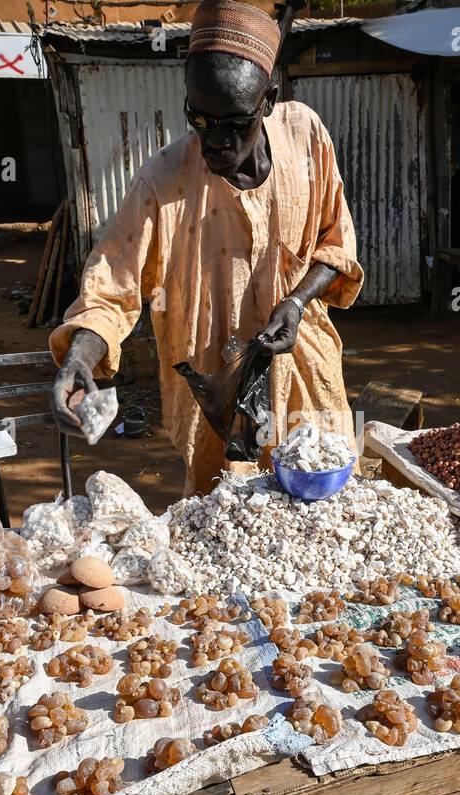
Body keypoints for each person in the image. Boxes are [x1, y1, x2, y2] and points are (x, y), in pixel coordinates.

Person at [49, 0, 363, 495]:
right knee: (227, 521)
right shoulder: (164, 179)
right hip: (215, 391)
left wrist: (297, 301)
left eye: (235, 124)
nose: (216, 141)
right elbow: (111, 287)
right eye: (201, 120)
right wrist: (80, 359)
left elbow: (336, 243)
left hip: (307, 375)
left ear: (268, 101)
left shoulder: (305, 135)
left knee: (327, 506)